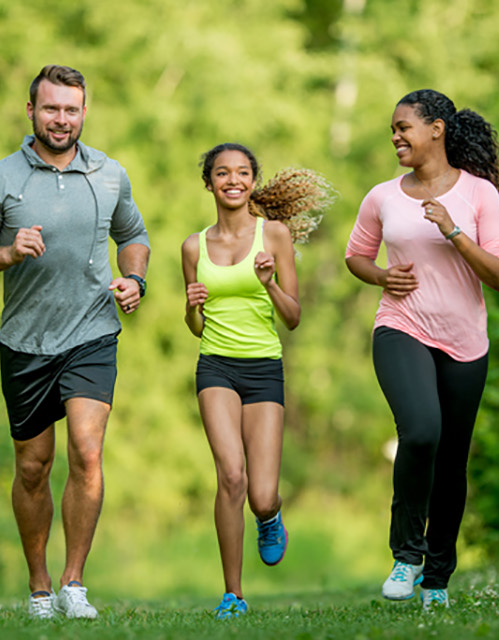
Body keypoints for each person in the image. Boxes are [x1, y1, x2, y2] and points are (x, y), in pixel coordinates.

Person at [0, 64, 150, 621]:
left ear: (85, 112)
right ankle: (39, 589)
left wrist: (135, 280)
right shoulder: (1, 178)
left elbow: (132, 235)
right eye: (51, 108)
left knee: (87, 451)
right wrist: (8, 253)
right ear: (31, 111)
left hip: (92, 332)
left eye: (72, 109)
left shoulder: (109, 174)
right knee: (33, 467)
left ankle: (73, 583)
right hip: (25, 341)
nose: (62, 119)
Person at [342, 89, 499, 611]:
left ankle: (436, 579)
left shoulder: (480, 195)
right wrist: (381, 276)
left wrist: (454, 232)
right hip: (402, 326)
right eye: (392, 129)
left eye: (404, 127)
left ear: (436, 128)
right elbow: (356, 257)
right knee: (420, 432)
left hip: (465, 342)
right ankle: (406, 554)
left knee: (453, 460)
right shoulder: (382, 196)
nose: (395, 136)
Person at [180, 143, 333, 619]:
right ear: (209, 183)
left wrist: (268, 283)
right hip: (215, 367)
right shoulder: (193, 246)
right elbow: (196, 327)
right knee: (230, 476)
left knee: (260, 493)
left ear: (252, 181)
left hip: (264, 367)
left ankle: (270, 517)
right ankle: (233, 594)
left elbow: (293, 318)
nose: (233, 180)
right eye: (222, 173)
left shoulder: (276, 236)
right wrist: (192, 306)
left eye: (242, 173)